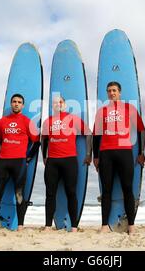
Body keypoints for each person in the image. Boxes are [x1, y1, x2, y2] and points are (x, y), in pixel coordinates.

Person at [93, 81, 145, 234]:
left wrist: (141, 152)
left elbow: (141, 130)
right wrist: (96, 156)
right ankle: (104, 225)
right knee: (106, 190)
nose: (112, 93)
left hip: (124, 152)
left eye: (114, 90)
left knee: (127, 189)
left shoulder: (129, 108)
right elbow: (96, 135)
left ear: (120, 92)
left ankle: (131, 225)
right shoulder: (101, 111)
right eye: (109, 91)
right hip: (106, 153)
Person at [0, 94, 40, 231]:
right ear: (11, 104)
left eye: (19, 102)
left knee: (19, 194)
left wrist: (28, 157)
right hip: (3, 163)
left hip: (19, 163)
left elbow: (37, 142)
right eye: (14, 101)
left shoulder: (27, 121)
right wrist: (1, 153)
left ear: (23, 105)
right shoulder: (2, 122)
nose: (16, 104)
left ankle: (20, 225)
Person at [41, 96, 92, 232]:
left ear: (64, 104)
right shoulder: (48, 121)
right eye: (55, 103)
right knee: (50, 194)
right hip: (52, 161)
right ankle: (47, 226)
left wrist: (88, 154)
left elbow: (88, 133)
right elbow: (43, 139)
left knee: (71, 192)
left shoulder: (73, 119)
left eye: (61, 102)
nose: (58, 104)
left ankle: (74, 226)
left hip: (69, 160)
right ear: (53, 106)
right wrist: (44, 156)